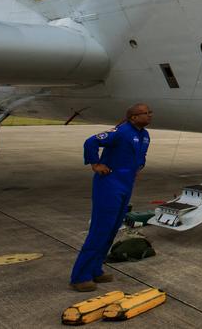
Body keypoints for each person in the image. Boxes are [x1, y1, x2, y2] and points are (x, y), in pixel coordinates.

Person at [69, 103, 152, 292]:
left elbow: (141, 156)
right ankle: (80, 277)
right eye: (145, 113)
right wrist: (95, 164)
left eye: (150, 112)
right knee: (100, 230)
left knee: (113, 229)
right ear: (133, 117)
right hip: (109, 183)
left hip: (126, 183)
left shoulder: (144, 135)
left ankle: (95, 270)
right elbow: (91, 142)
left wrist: (138, 168)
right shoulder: (120, 132)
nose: (149, 116)